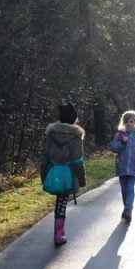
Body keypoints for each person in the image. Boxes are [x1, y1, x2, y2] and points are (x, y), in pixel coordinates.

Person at [40, 102, 87, 246]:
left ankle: (58, 234)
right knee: (62, 202)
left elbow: (45, 158)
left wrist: (44, 175)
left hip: (53, 172)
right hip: (68, 174)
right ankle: (59, 234)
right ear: (73, 119)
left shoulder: (51, 135)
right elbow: (77, 161)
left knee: (59, 201)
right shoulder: (76, 137)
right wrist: (82, 179)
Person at [110, 110, 135, 222]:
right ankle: (127, 209)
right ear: (123, 122)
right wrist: (122, 143)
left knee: (130, 187)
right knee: (123, 189)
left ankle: (128, 207)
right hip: (122, 165)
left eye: (131, 121)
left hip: (134, 166)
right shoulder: (119, 135)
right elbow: (113, 148)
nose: (129, 123)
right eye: (126, 121)